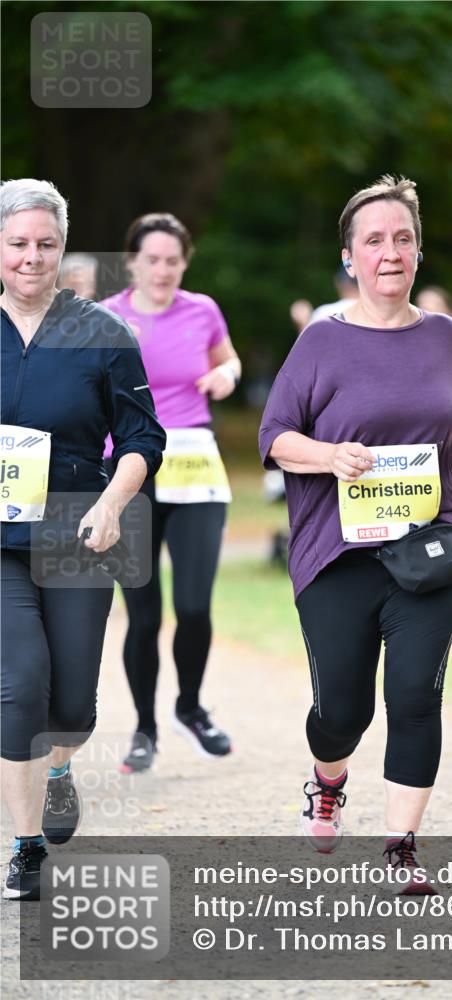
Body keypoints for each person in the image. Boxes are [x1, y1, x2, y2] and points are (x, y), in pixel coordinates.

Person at [259, 175, 452, 890]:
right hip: (337, 553)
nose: (390, 252)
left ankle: (401, 848)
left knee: (413, 697)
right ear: (349, 257)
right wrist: (329, 456)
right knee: (341, 711)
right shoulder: (322, 341)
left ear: (418, 252)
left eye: (402, 239)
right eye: (374, 240)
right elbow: (274, 436)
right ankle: (328, 779)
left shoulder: (443, 335)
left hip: (428, 546)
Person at [1, 179, 165, 900]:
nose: (31, 257)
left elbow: (142, 438)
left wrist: (111, 504)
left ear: (62, 248)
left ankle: (60, 766)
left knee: (70, 707)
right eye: (17, 244)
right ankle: (26, 845)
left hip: (78, 531)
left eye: (45, 244)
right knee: (19, 684)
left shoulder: (103, 332)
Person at [101, 213, 241, 774]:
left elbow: (228, 359)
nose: (162, 270)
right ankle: (144, 729)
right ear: (132, 261)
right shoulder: (106, 316)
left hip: (193, 463)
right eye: (152, 260)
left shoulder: (203, 310)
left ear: (185, 263)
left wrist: (228, 375)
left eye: (173, 261)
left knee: (194, 606)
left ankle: (189, 708)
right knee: (143, 614)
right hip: (129, 471)